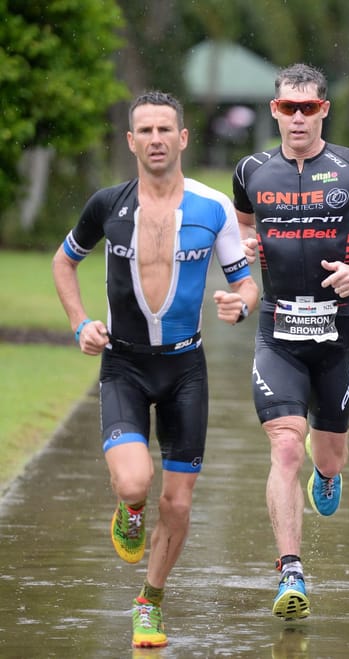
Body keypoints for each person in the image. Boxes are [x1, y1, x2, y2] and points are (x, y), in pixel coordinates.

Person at [52, 90, 258, 649]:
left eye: (165, 129)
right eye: (145, 131)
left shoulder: (213, 207)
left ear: (183, 137)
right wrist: (80, 324)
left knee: (181, 502)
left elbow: (244, 281)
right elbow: (63, 262)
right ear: (131, 141)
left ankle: (150, 601)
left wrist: (242, 302)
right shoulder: (107, 205)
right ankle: (130, 509)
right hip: (123, 365)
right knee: (135, 482)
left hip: (185, 369)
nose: (156, 140)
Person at [232, 63, 349, 620]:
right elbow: (243, 221)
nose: (297, 118)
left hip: (336, 327)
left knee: (328, 452)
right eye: (287, 108)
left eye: (308, 108)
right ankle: (291, 572)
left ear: (324, 109)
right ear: (274, 110)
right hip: (278, 328)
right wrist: (248, 247)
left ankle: (326, 473)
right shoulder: (251, 169)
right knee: (283, 446)